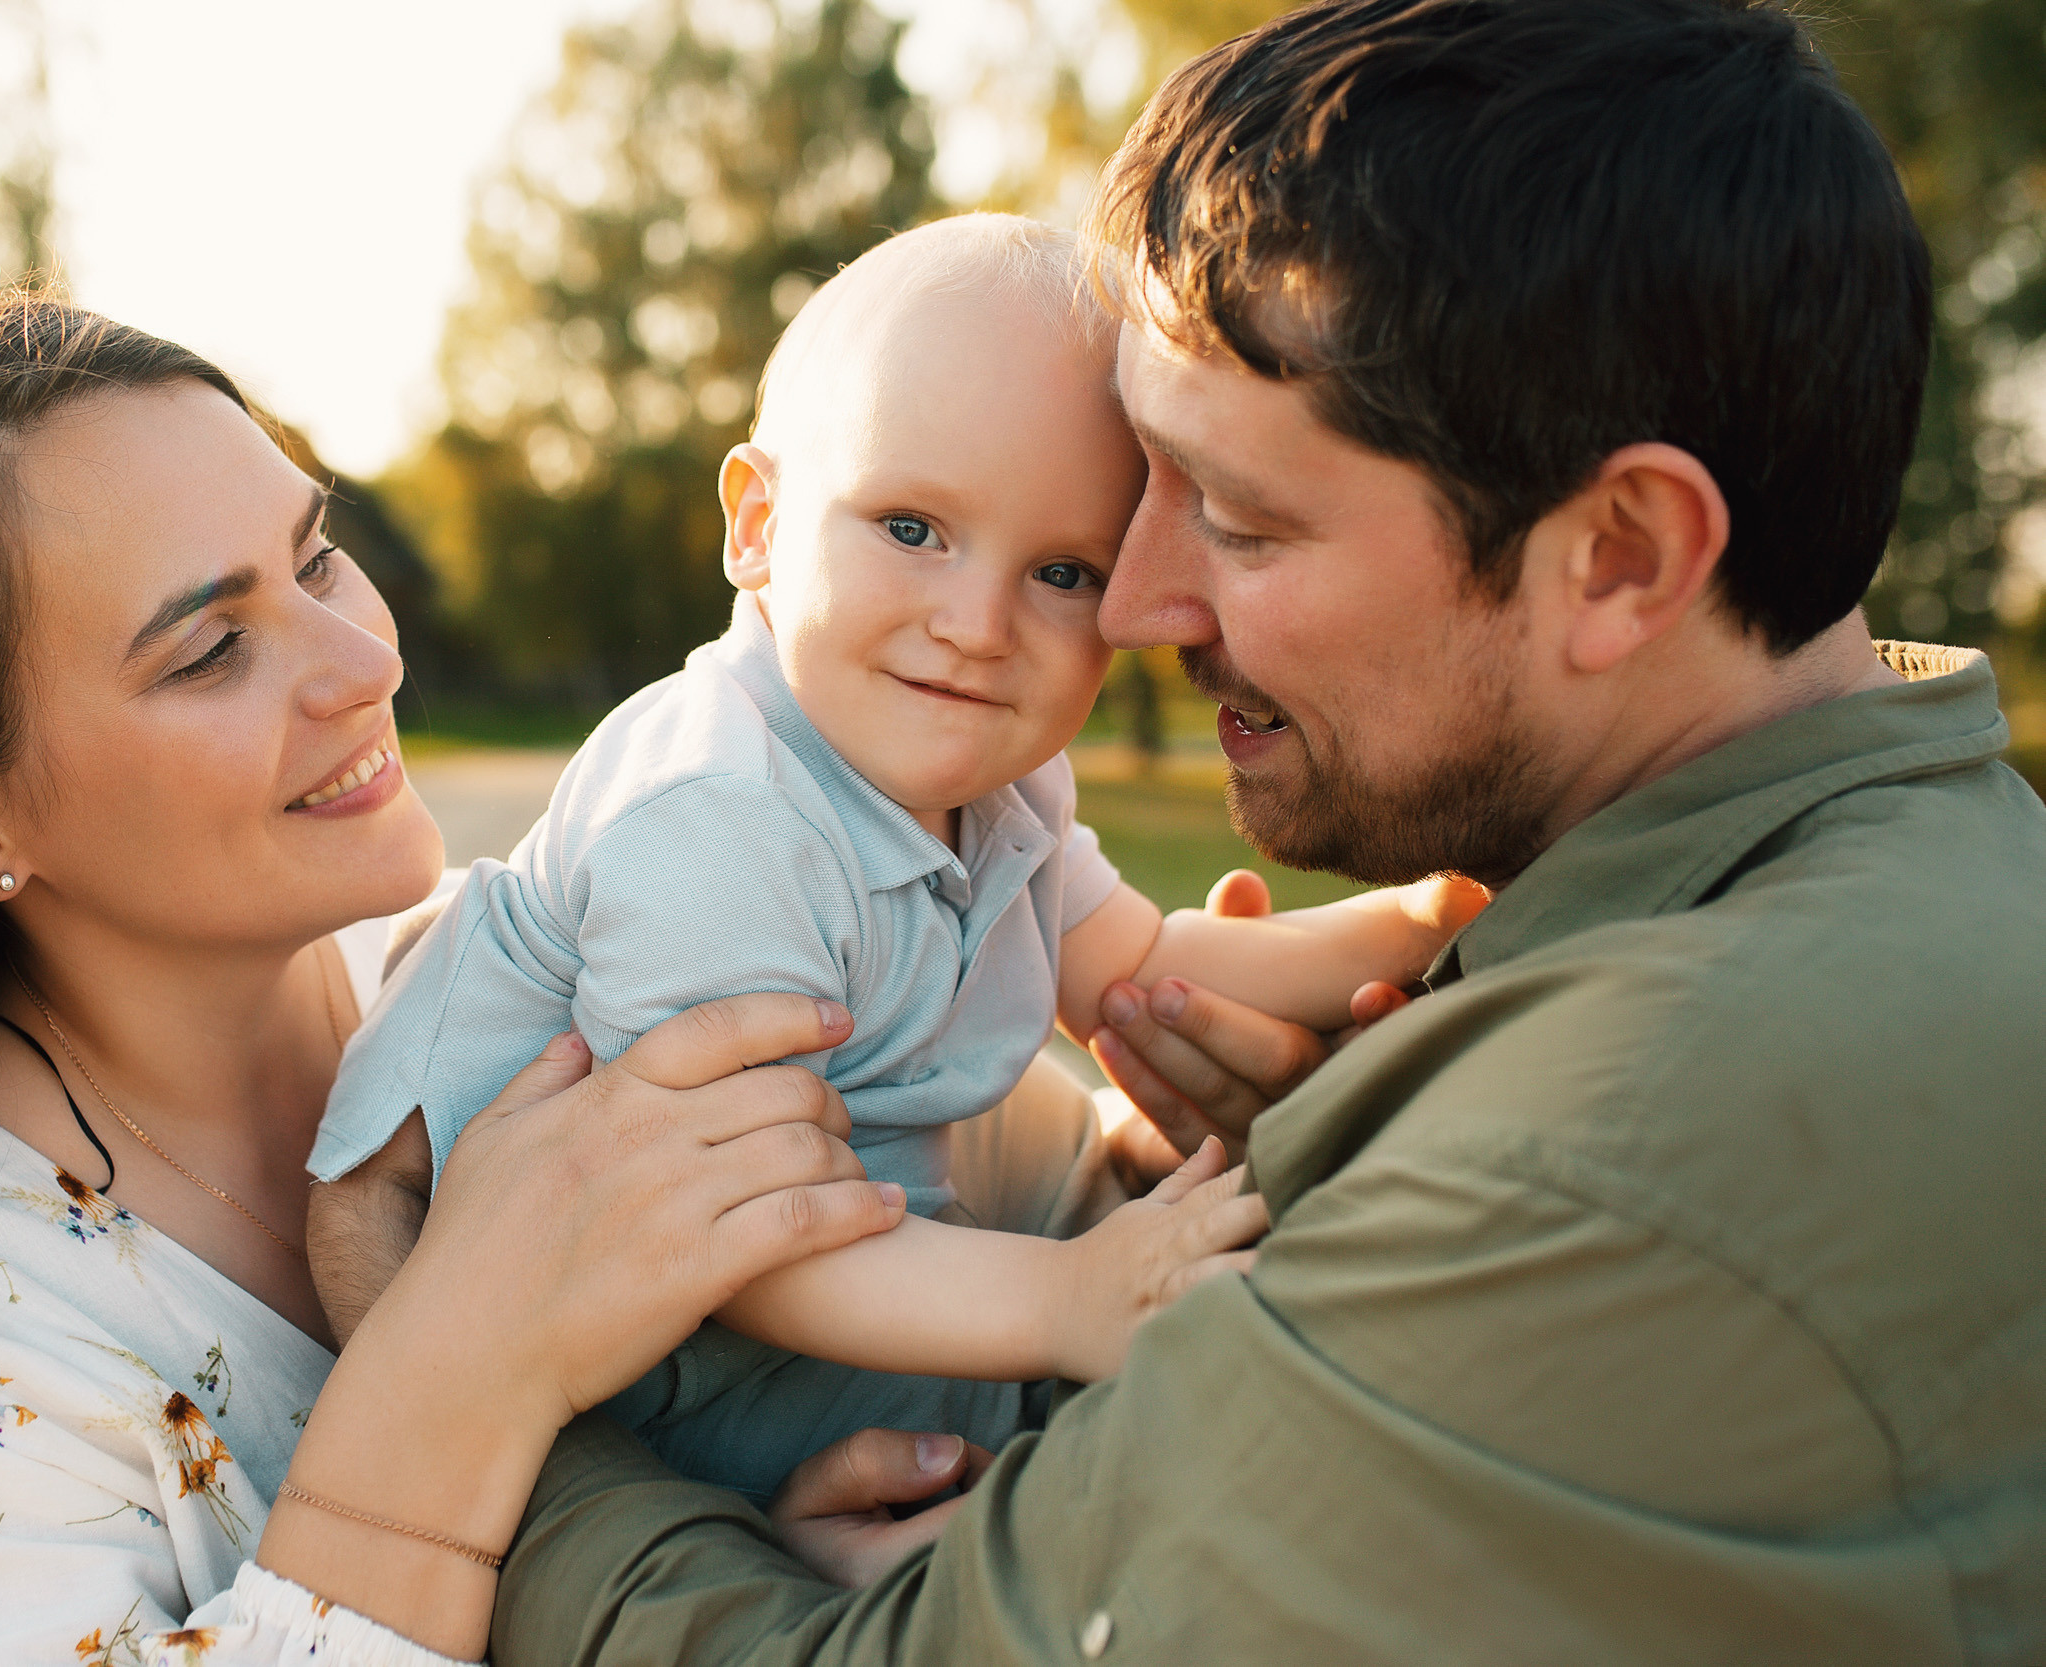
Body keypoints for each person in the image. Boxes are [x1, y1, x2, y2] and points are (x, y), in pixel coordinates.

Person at [422, 1, 2046, 1660]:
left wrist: (465, 1411)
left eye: (1241, 519)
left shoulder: (1593, 1158)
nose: (1128, 608)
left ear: (1620, 555)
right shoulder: (1933, 882)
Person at [0, 300, 1001, 1666]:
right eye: (213, 649)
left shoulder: (506, 968)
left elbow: (980, 1152)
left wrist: (739, 1576)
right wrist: (471, 1363)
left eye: (316, 560)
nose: (364, 660)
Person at [316, 213, 1476, 1503]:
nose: (978, 626)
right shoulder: (719, 817)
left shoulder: (992, 774)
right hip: (651, 1350)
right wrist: (1067, 1297)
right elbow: (739, 1235)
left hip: (870, 1281)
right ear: (759, 524)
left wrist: (1417, 928)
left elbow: (1142, 967)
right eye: (912, 529)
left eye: (1062, 572)